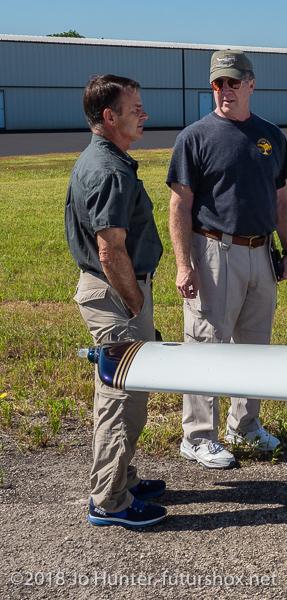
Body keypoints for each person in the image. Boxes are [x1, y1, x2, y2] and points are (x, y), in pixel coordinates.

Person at [167, 49, 287, 469]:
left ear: (251, 84)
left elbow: (282, 198)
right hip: (214, 251)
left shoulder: (271, 137)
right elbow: (179, 204)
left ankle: (245, 426)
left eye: (233, 82)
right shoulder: (195, 137)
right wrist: (184, 264)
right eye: (218, 83)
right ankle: (197, 436)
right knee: (206, 343)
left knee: (254, 345)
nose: (225, 89)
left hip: (261, 251)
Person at [65, 74, 167, 527]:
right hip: (116, 295)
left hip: (114, 291)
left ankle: (122, 479)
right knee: (122, 399)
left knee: (121, 395)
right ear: (110, 117)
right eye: (135, 109)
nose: (144, 115)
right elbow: (110, 250)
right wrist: (135, 304)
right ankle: (110, 501)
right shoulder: (109, 170)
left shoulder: (106, 160)